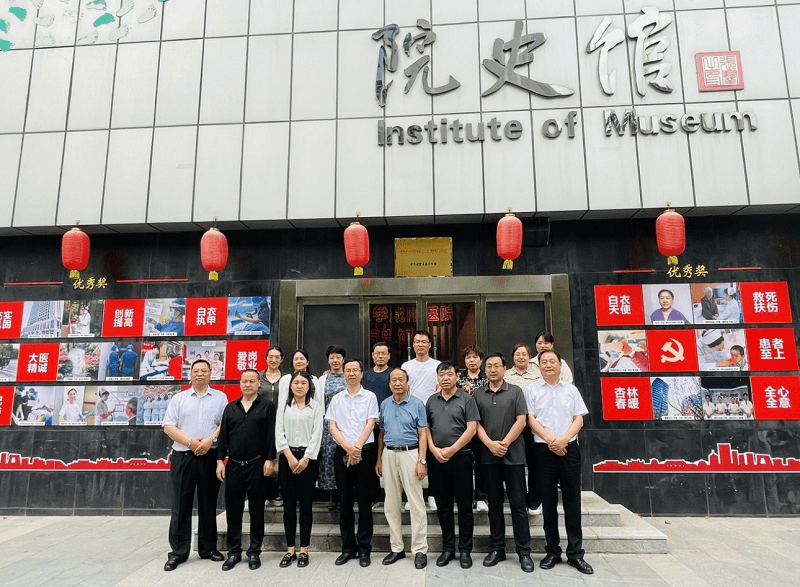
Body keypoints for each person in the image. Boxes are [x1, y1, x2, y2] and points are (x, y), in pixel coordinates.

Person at [526, 349, 592, 575]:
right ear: (539, 367)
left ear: (560, 365)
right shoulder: (532, 390)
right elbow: (531, 419)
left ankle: (575, 554)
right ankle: (552, 551)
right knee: (548, 502)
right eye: (544, 362)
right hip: (543, 450)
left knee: (572, 501)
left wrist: (563, 440)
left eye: (552, 361)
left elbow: (579, 419)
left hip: (569, 449)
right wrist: (550, 440)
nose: (548, 365)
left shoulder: (571, 390)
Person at [162, 359, 228, 571]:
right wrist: (190, 443)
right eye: (196, 371)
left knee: (208, 503)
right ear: (190, 375)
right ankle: (178, 552)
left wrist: (210, 440)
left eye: (204, 371)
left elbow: (225, 425)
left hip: (209, 455)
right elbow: (168, 426)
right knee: (180, 504)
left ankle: (208, 548)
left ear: (210, 374)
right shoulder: (179, 398)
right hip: (183, 456)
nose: (200, 374)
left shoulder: (220, 397)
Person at [473, 353, 533, 573]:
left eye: (497, 365)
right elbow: (475, 424)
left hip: (513, 456)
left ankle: (524, 552)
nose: (492, 369)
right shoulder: (478, 394)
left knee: (518, 506)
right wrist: (490, 444)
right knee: (495, 505)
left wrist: (505, 443)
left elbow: (522, 420)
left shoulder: (515, 391)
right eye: (489, 366)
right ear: (485, 370)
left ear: (504, 369)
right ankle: (497, 548)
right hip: (489, 457)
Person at [215, 369, 277, 571]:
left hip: (257, 465)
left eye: (252, 381)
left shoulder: (267, 406)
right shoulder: (230, 408)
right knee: (233, 511)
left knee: (257, 511)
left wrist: (270, 459)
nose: (248, 384)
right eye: (245, 381)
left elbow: (271, 435)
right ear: (240, 384)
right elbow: (223, 437)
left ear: (259, 384)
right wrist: (220, 461)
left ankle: (254, 552)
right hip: (233, 466)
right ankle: (233, 552)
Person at [326, 358, 379, 567]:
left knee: (365, 502)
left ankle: (364, 549)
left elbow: (371, 423)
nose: (351, 374)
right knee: (345, 502)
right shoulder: (337, 398)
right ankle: (348, 548)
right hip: (343, 452)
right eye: (348, 370)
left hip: (364, 452)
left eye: (355, 370)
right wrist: (348, 448)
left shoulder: (370, 397)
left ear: (361, 373)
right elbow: (332, 426)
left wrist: (356, 448)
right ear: (344, 374)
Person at [426, 361, 479, 569]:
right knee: (443, 506)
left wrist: (452, 449)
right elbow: (426, 428)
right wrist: (433, 449)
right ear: (437, 378)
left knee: (465, 506)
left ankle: (465, 550)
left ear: (458, 377)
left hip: (461, 458)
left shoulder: (467, 399)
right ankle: (448, 548)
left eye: (449, 374)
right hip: (437, 458)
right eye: (442, 374)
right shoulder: (431, 400)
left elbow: (472, 428)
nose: (445, 378)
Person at [376, 367, 428, 570]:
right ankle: (397, 548)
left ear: (407, 383)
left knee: (416, 503)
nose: (397, 383)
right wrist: (379, 459)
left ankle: (420, 549)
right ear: (389, 384)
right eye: (394, 380)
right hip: (389, 454)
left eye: (401, 380)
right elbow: (381, 433)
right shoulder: (384, 404)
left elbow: (423, 434)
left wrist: (421, 460)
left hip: (410, 454)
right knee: (391, 503)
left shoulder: (417, 404)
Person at [275, 371, 324, 568]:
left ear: (309, 386)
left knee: (305, 506)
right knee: (288, 506)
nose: (300, 386)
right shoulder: (283, 406)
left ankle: (304, 549)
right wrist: (289, 456)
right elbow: (279, 433)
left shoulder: (315, 407)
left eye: (304, 383)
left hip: (307, 460)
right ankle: (290, 550)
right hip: (287, 458)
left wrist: (305, 459)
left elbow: (317, 435)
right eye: (296, 382)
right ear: (291, 385)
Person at [401, 330, 441, 510]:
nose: (420, 345)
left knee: (432, 456)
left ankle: (433, 494)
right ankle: (412, 496)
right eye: (417, 341)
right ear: (413, 345)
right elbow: (405, 389)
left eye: (424, 341)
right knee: (412, 456)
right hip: (411, 414)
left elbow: (439, 387)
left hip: (432, 413)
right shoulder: (407, 366)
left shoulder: (437, 365)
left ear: (430, 345)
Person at [458, 345, 489, 511]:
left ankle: (481, 496)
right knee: (464, 464)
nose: (472, 360)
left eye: (475, 357)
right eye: (468, 357)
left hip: (483, 425)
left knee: (481, 462)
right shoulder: (458, 378)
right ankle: (466, 497)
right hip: (462, 426)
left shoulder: (487, 377)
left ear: (481, 360)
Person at [317, 345, 347, 510]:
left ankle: (345, 495)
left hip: (346, 424)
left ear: (343, 359)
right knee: (328, 460)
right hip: (328, 425)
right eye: (332, 357)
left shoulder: (349, 376)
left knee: (344, 458)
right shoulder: (322, 379)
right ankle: (332, 497)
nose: (335, 360)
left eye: (338, 357)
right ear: (328, 360)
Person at [258, 345, 284, 506]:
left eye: (277, 357)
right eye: (270, 356)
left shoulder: (287, 378)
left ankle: (278, 492)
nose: (273, 360)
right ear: (266, 358)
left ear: (281, 360)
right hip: (262, 423)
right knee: (264, 455)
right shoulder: (258, 377)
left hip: (282, 422)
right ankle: (265, 492)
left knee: (280, 456)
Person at [363, 342, 392, 406]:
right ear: (372, 355)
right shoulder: (365, 375)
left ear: (389, 355)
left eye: (383, 353)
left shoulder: (393, 374)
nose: (380, 356)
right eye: (377, 353)